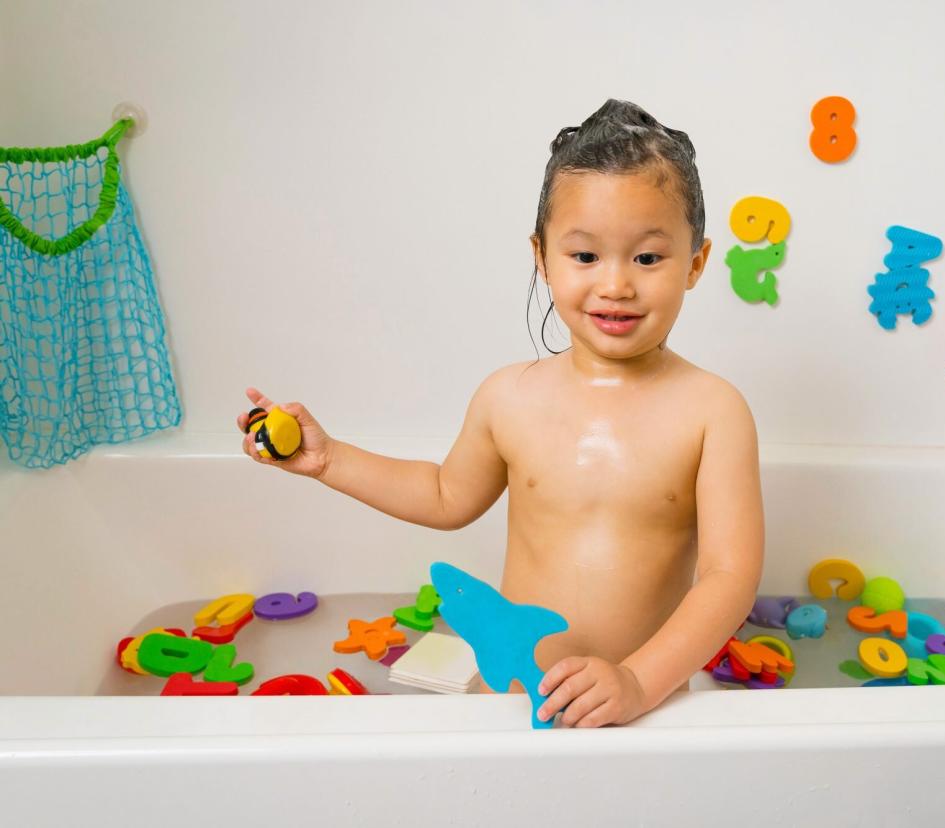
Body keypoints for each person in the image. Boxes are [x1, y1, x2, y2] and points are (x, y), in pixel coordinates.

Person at [239, 99, 764, 726]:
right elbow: (442, 496)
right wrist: (329, 460)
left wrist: (637, 682)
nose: (616, 284)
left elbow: (729, 576)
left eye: (647, 258)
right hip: (515, 695)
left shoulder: (712, 412)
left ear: (696, 263)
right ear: (542, 258)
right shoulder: (508, 397)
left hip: (649, 704)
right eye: (585, 256)